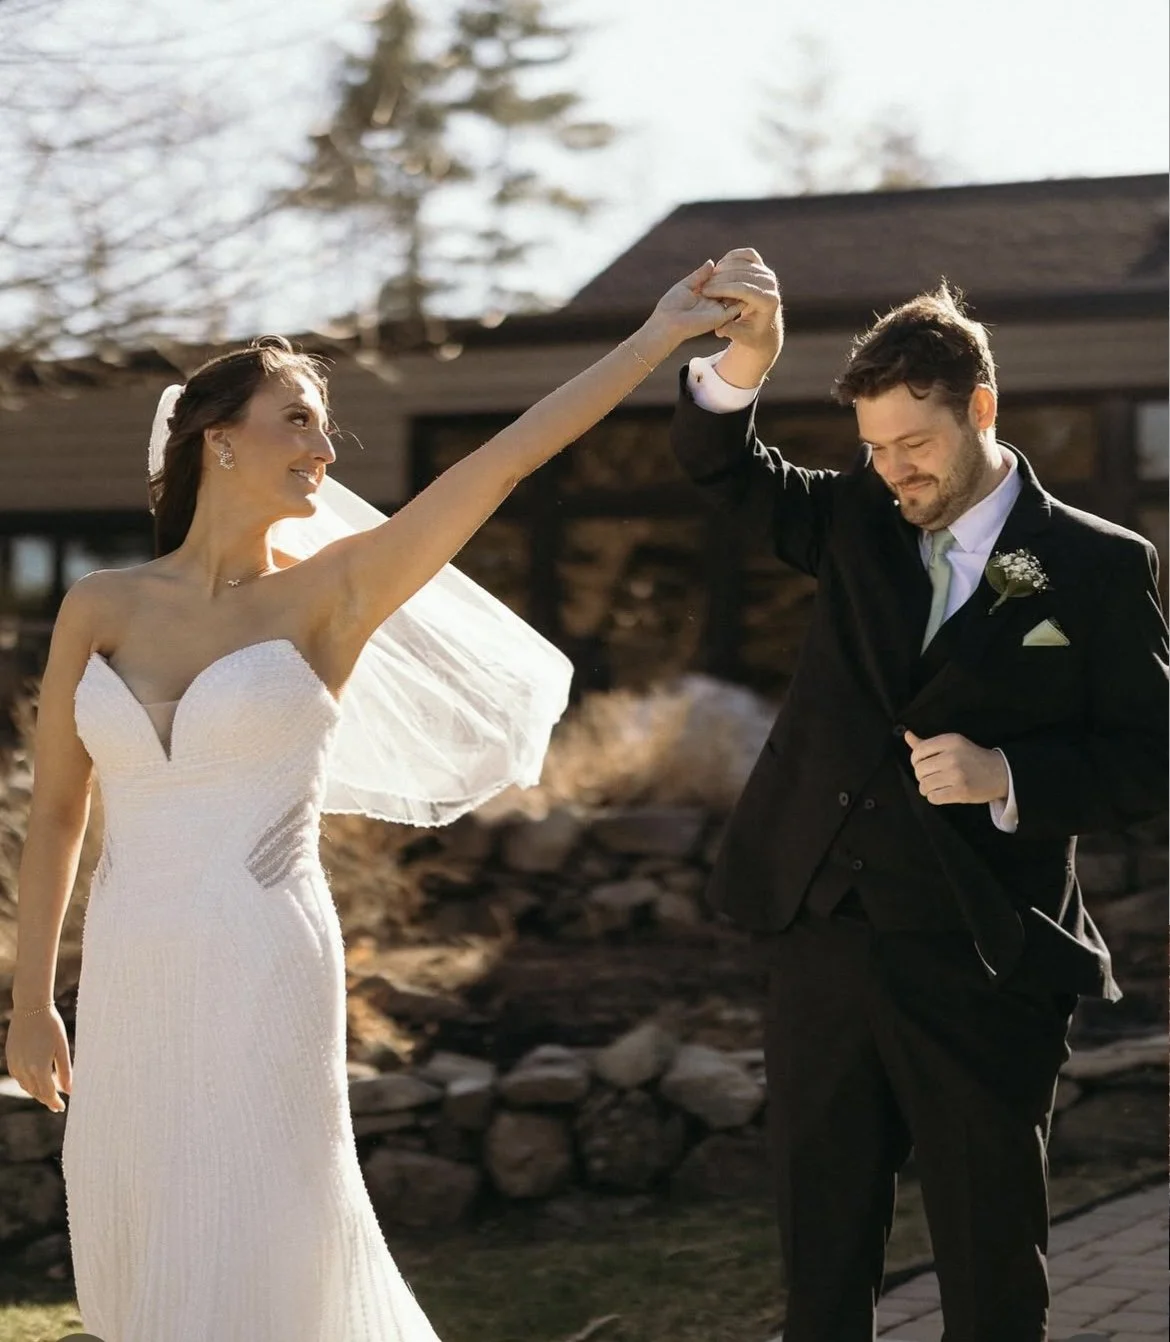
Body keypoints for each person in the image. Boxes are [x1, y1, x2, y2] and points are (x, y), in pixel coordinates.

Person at [4, 262, 737, 1342]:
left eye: (330, 427)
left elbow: (509, 458)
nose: (326, 448)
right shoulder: (98, 606)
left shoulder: (333, 591)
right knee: (149, 1218)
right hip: (131, 964)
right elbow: (61, 813)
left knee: (270, 1223)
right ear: (218, 439)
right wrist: (29, 1000)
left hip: (264, 948)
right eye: (299, 419)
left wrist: (655, 338)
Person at [670, 250, 1169, 1342]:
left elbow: (1151, 759)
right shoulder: (855, 519)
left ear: (979, 407)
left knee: (991, 1267)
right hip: (825, 934)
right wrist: (744, 361)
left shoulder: (1096, 566)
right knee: (823, 1262)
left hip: (982, 951)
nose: (896, 471)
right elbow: (721, 469)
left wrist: (1010, 779)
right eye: (876, 448)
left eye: (917, 443)